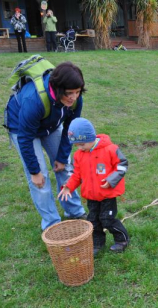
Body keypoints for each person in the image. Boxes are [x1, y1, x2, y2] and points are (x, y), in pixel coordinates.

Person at [5, 62, 87, 230]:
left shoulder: (76, 101)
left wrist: (62, 158)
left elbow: (69, 131)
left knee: (65, 168)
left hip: (50, 124)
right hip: (22, 128)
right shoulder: (34, 100)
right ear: (57, 88)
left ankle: (75, 212)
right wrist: (34, 172)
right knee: (40, 179)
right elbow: (25, 138)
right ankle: (52, 224)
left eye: (77, 92)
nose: (73, 97)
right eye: (69, 93)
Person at [58, 118, 130, 256]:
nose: (79, 148)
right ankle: (97, 243)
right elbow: (75, 175)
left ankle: (122, 240)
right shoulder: (79, 155)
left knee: (107, 219)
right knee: (93, 221)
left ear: (90, 138)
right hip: (91, 196)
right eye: (76, 145)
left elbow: (122, 165)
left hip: (107, 195)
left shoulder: (110, 149)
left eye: (82, 144)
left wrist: (111, 180)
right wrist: (68, 186)